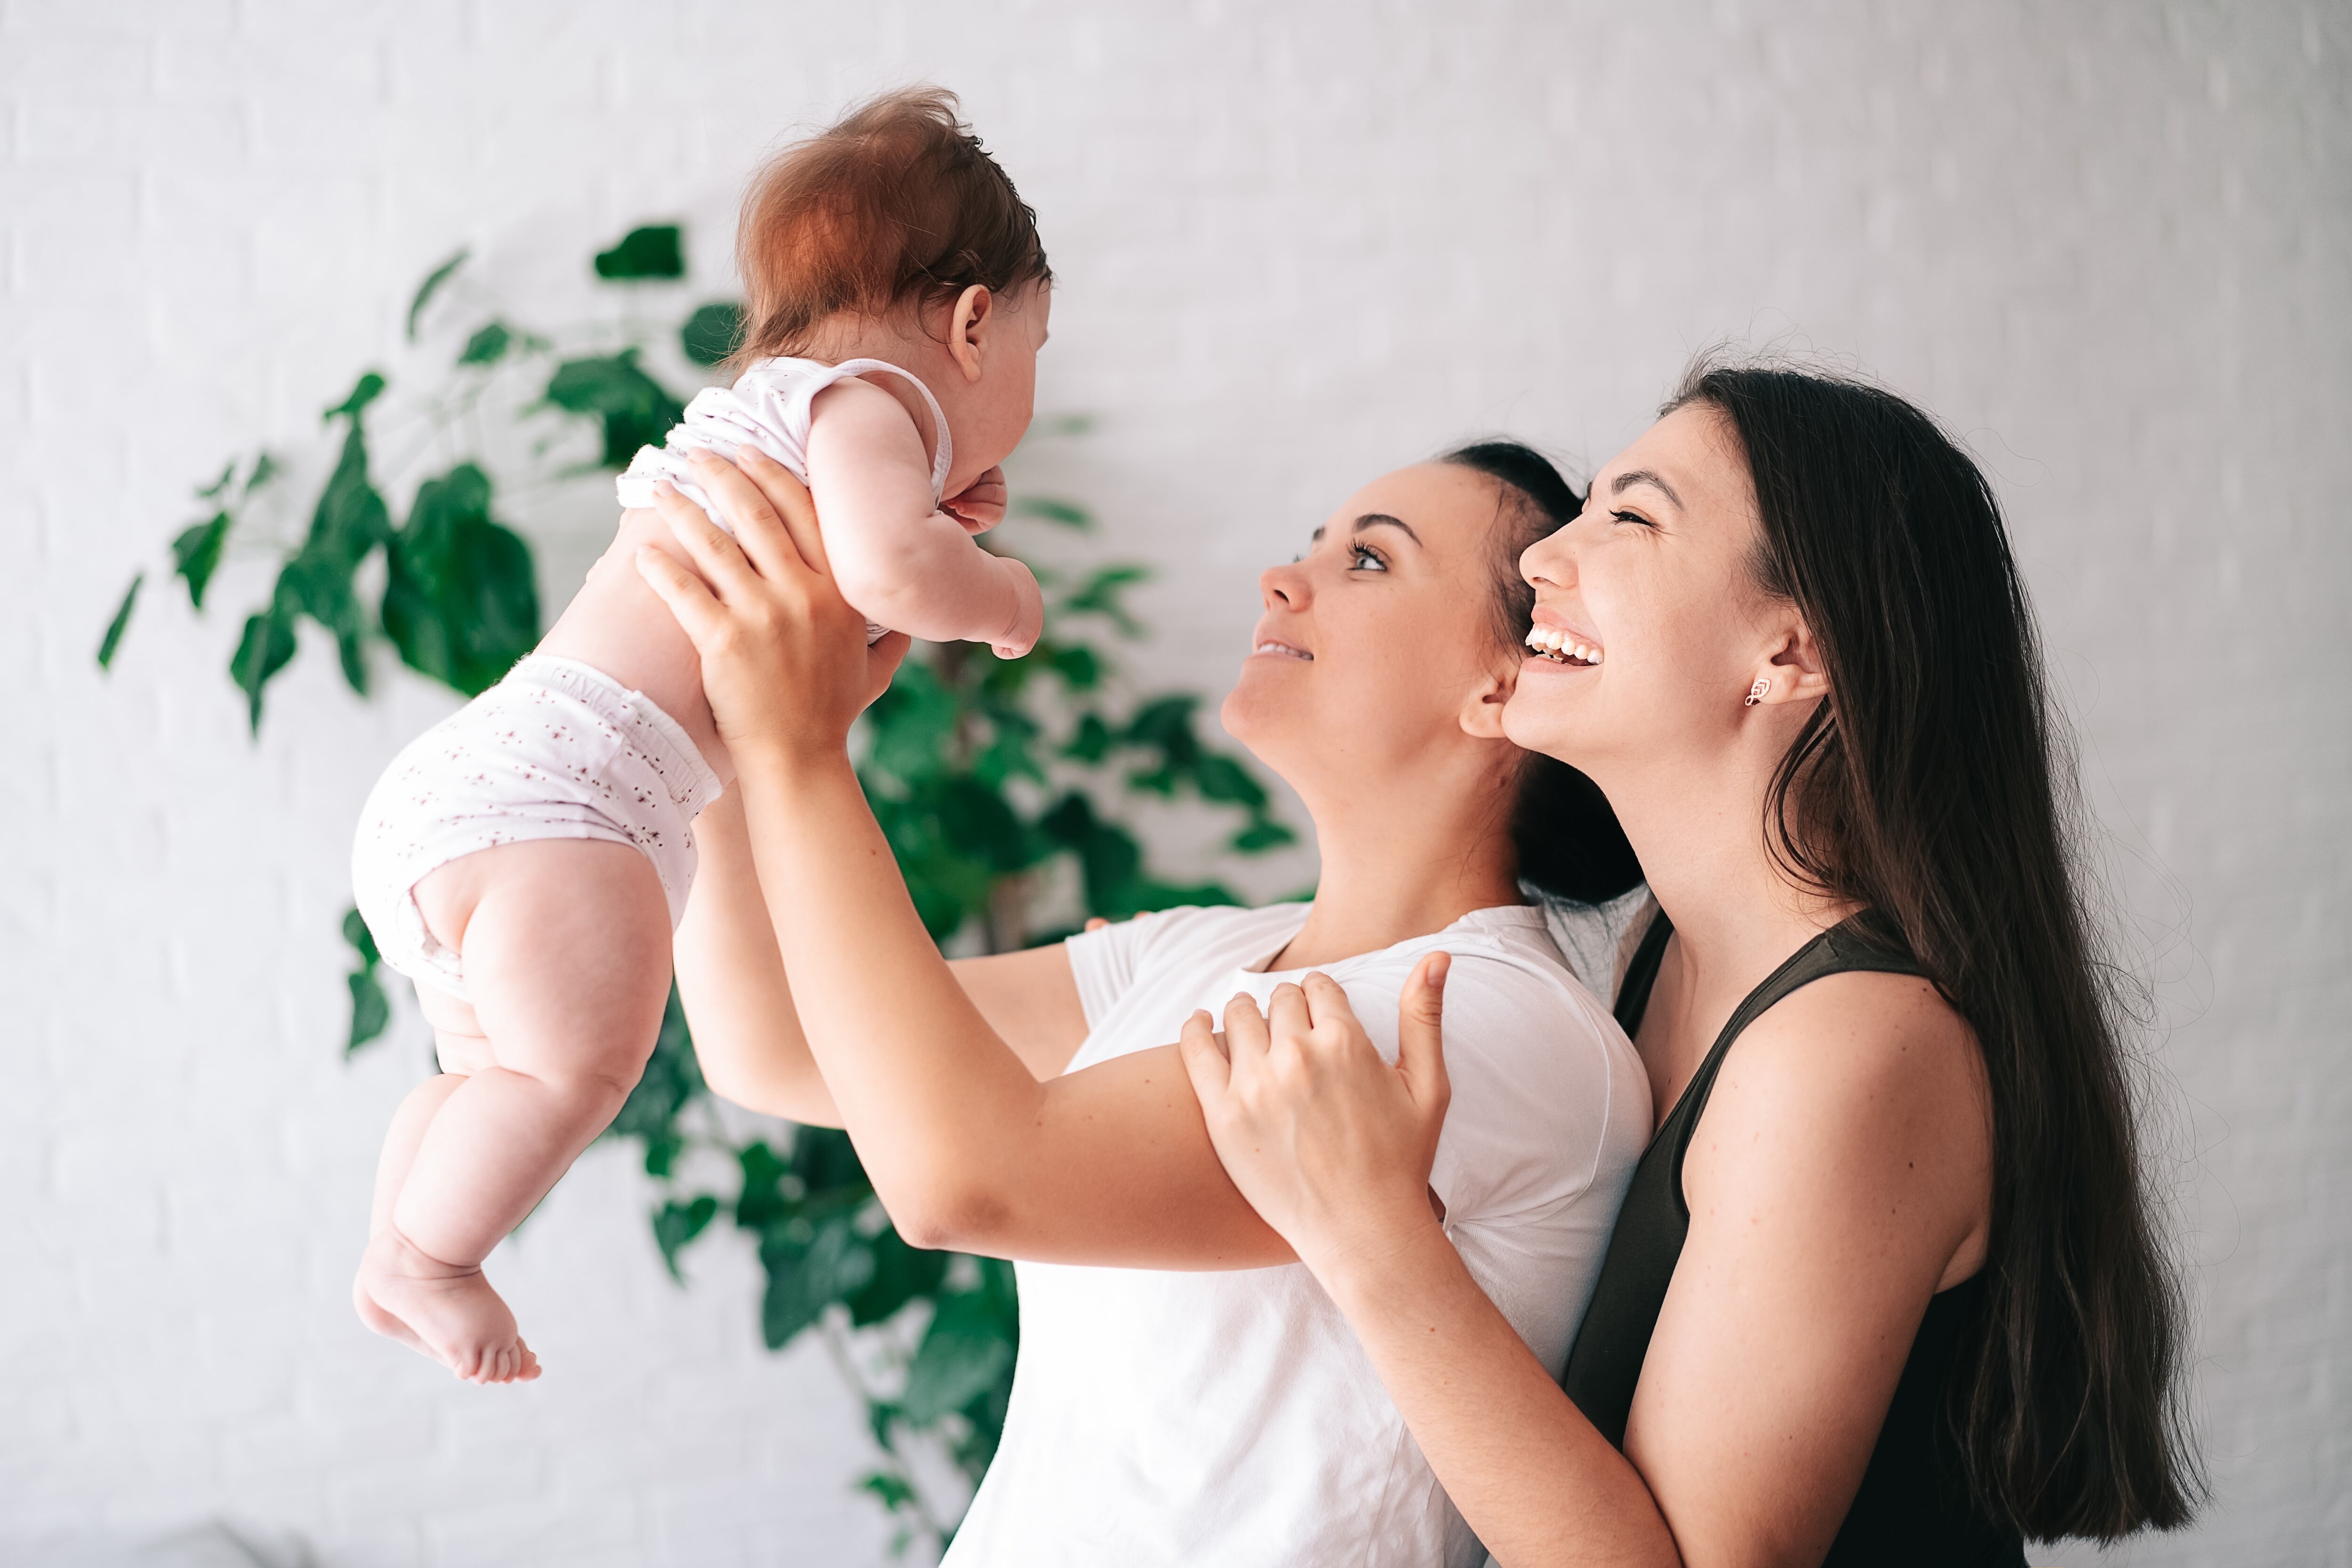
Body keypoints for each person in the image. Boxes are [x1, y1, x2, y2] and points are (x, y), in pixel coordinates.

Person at [1180, 359, 2202, 1566]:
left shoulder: (1851, 1046)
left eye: (1629, 517)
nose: (1546, 557)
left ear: (1790, 655)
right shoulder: (1645, 961)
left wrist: (1373, 1236)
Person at [633, 440, 1650, 1567]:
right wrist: (717, 732)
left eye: (1367, 559)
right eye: (1311, 541)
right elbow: (772, 1041)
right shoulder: (1207, 948)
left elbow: (964, 1180)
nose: (1283, 576)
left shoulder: (1485, 1022)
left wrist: (799, 746)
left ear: (1501, 685)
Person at [346, 87, 1050, 1384]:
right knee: (578, 1070)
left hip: (470, 789)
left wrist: (934, 509)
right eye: (1032, 357)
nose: (1026, 397)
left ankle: (402, 1231)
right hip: (564, 814)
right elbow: (893, 573)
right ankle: (426, 1259)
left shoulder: (778, 406)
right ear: (974, 322)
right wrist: (999, 593)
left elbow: (861, 542)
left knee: (487, 1074)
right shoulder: (866, 403)